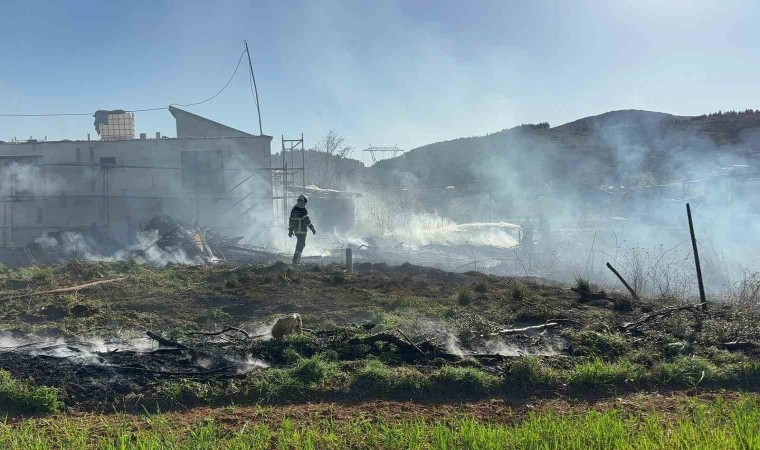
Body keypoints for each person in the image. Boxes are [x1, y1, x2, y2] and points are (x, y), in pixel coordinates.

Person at [288, 194, 316, 265]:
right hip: (302, 231)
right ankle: (295, 261)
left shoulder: (293, 209)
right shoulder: (303, 210)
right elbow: (307, 221)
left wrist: (290, 231)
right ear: (303, 201)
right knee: (300, 245)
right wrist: (312, 228)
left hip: (296, 231)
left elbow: (291, 221)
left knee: (301, 244)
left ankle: (297, 260)